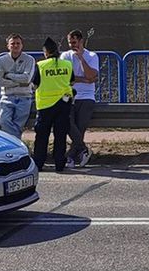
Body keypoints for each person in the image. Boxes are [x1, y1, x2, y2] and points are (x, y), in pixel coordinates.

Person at [31, 36, 74, 172]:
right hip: (64, 103)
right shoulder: (67, 64)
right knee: (60, 135)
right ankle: (59, 164)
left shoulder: (41, 65)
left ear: (46, 52)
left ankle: (38, 163)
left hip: (45, 105)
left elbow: (35, 84)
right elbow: (71, 82)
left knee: (42, 136)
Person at [65, 28, 100, 168]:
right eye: (70, 43)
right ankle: (83, 150)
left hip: (87, 97)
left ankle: (70, 156)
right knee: (67, 123)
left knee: (80, 126)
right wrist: (84, 79)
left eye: (74, 42)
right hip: (69, 95)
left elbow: (91, 76)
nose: (72, 46)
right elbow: (67, 79)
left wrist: (80, 58)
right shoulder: (65, 57)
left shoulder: (91, 56)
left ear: (81, 41)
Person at [0, 33, 35, 139]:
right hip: (7, 96)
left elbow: (27, 79)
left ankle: (12, 144)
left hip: (24, 96)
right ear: (8, 46)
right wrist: (18, 82)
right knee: (4, 121)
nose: (15, 46)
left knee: (18, 125)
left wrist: (8, 75)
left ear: (22, 45)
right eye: (12, 44)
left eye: (18, 43)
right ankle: (17, 142)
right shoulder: (1, 60)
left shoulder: (29, 59)